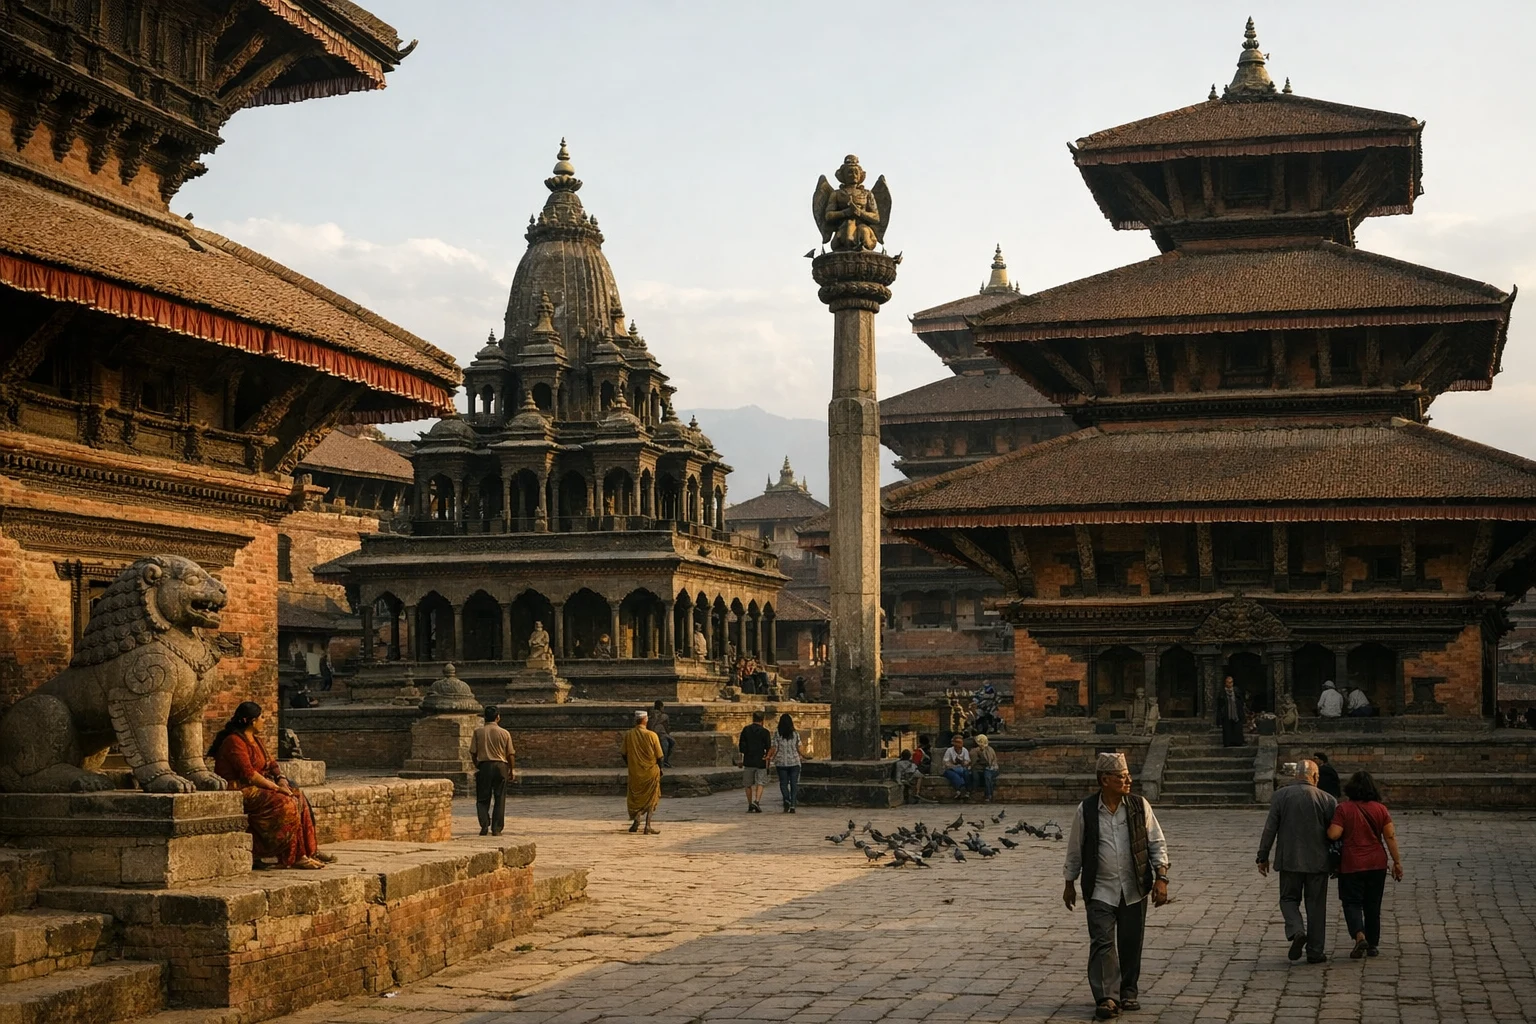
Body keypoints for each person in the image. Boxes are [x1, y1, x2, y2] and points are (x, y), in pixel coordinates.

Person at [1063, 752, 1170, 1020]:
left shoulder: (1139, 806)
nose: (1128, 780)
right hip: (1100, 888)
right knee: (1102, 942)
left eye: (1127, 775)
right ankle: (1106, 997)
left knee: (1131, 942)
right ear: (1105, 780)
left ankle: (1128, 991)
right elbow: (1075, 849)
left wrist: (1161, 877)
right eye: (1122, 777)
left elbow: (1156, 842)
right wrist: (1069, 882)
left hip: (1134, 887)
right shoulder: (1086, 810)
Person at [209, 701, 330, 870]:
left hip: (257, 786)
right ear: (251, 721)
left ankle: (305, 852)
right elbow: (249, 774)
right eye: (261, 717)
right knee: (286, 802)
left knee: (297, 796)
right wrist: (275, 788)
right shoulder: (234, 742)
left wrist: (281, 779)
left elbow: (271, 763)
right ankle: (289, 855)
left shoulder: (256, 740)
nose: (264, 720)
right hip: (239, 788)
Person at [1256, 759, 1338, 964]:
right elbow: (1335, 834)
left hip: (1289, 859)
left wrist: (1262, 856)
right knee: (1316, 906)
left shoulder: (1281, 796)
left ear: (1295, 776)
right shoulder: (1327, 800)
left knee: (1288, 899)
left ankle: (1297, 929)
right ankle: (1315, 951)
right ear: (1316, 777)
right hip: (1318, 862)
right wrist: (1338, 862)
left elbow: (1270, 829)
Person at [1328, 770, 1404, 959]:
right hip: (1377, 864)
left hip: (1351, 864)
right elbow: (1390, 836)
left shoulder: (1343, 809)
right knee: (1372, 905)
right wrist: (1397, 862)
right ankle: (1373, 944)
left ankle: (1359, 935)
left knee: (1351, 902)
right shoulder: (1380, 809)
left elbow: (1334, 834)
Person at [470, 705, 514, 836]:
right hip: (501, 766)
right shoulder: (504, 733)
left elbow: (473, 752)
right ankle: (496, 828)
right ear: (498, 717)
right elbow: (510, 754)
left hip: (484, 765)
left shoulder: (478, 732)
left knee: (482, 798)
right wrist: (512, 769)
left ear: (485, 718)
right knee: (500, 798)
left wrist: (478, 765)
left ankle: (484, 824)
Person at [622, 710, 664, 834]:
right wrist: (660, 769)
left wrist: (631, 764)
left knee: (636, 798)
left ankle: (636, 819)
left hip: (635, 771)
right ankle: (647, 825)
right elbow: (660, 756)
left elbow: (623, 753)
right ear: (645, 720)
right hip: (651, 771)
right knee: (651, 798)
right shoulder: (652, 735)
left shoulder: (629, 735)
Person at [766, 712, 803, 812]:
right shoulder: (795, 734)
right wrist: (803, 756)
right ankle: (793, 805)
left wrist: (769, 756)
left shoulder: (777, 734)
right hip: (794, 761)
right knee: (794, 784)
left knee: (783, 783)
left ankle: (786, 799)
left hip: (781, 762)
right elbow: (799, 747)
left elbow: (774, 747)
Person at [738, 710, 772, 813]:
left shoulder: (746, 730)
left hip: (748, 760)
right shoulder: (765, 732)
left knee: (748, 784)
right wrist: (768, 760)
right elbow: (768, 747)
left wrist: (741, 758)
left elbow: (741, 747)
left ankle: (749, 804)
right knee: (760, 782)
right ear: (762, 720)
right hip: (760, 760)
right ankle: (756, 801)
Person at [941, 733, 971, 799]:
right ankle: (961, 789)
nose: (960, 744)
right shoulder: (949, 750)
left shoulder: (964, 750)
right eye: (958, 742)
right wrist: (953, 766)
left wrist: (962, 763)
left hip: (961, 768)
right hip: (950, 769)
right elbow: (946, 762)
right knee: (955, 775)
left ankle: (967, 790)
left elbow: (967, 761)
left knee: (966, 773)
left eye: (961, 742)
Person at [972, 733, 1000, 802]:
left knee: (987, 776)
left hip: (992, 768)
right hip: (981, 769)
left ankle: (988, 795)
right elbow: (973, 761)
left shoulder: (989, 750)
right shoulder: (975, 750)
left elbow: (990, 762)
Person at [1219, 676, 1245, 747]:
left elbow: (1241, 700)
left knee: (1237, 728)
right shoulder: (1222, 692)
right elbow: (1220, 704)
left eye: (1231, 682)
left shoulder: (1236, 691)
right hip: (1227, 713)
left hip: (1236, 712)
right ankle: (1228, 742)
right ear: (1225, 683)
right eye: (1228, 682)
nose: (1229, 684)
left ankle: (1238, 742)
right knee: (1227, 729)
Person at [649, 699, 675, 768]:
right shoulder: (657, 716)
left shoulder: (663, 716)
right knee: (665, 745)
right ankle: (664, 761)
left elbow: (666, 727)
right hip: (655, 735)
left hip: (662, 735)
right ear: (661, 707)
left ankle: (665, 761)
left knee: (670, 742)